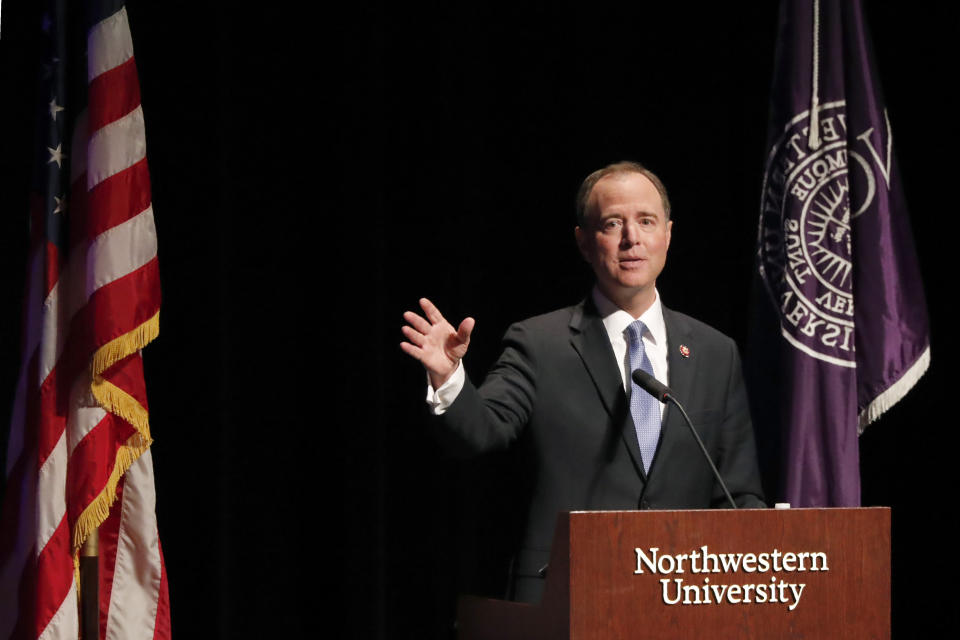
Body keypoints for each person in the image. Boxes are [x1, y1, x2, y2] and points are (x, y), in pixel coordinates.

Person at [401, 161, 765, 603]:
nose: (632, 239)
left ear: (667, 234)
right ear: (584, 243)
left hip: (684, 600)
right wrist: (448, 376)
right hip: (569, 596)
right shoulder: (540, 343)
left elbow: (739, 495)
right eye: (613, 224)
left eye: (646, 221)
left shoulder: (715, 352)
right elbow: (482, 430)